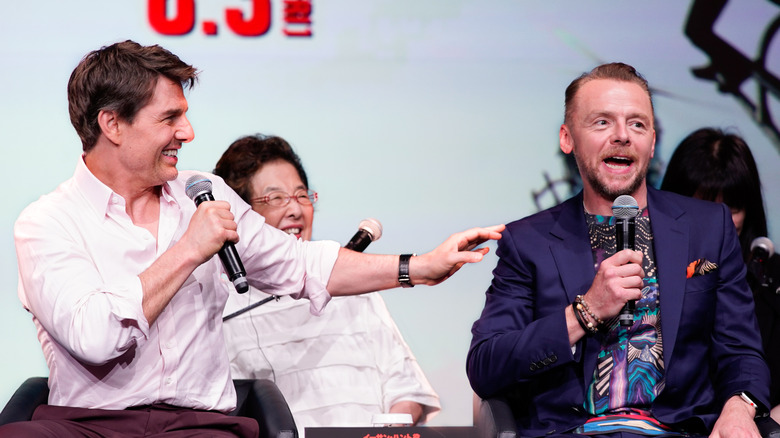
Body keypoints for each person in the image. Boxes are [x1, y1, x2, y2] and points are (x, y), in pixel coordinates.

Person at [3, 40, 503, 437]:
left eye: (185, 114)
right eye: (169, 118)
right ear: (112, 123)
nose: (189, 132)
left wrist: (419, 267)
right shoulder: (46, 223)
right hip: (88, 426)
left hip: (197, 425)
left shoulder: (205, 193)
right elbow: (97, 339)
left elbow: (301, 265)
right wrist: (187, 252)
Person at [467, 62, 770, 438]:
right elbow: (486, 366)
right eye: (602, 122)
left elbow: (741, 352)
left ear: (653, 141)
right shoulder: (529, 241)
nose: (623, 136)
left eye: (637, 124)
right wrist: (585, 312)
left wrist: (740, 406)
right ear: (567, 138)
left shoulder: (708, 227)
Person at [213, 134, 441, 434]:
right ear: (241, 217)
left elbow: (406, 389)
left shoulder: (353, 289)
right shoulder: (222, 306)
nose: (296, 209)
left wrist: (389, 428)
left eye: (301, 195)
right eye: (276, 198)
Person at [660, 127, 780, 423]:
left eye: (733, 208)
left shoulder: (773, 280)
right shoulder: (641, 275)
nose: (718, 222)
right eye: (702, 206)